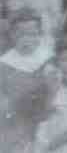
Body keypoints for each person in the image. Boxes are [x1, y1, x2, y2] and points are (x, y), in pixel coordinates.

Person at [0, 8, 53, 152]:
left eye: (33, 34)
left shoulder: (48, 59)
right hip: (16, 121)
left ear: (40, 35)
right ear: (12, 35)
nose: (27, 39)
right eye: (21, 34)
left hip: (44, 119)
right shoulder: (5, 63)